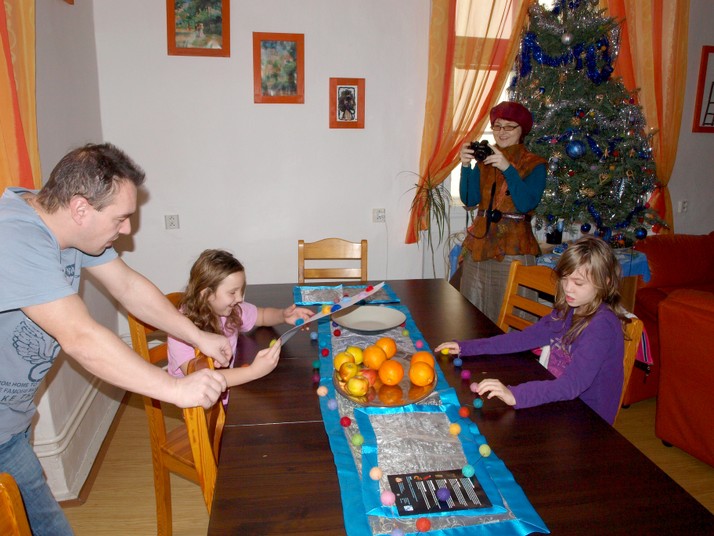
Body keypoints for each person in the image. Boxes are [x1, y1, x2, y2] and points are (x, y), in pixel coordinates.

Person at [0, 143, 232, 535]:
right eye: (121, 218)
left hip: (11, 425)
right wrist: (175, 389)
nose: (127, 229)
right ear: (81, 209)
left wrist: (198, 336)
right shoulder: (14, 238)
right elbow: (81, 337)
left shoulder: (64, 225)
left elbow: (128, 287)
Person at [437, 236, 629, 425]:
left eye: (578, 283)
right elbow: (522, 339)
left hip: (588, 421)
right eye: (564, 278)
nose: (568, 289)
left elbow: (571, 385)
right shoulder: (568, 310)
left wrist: (515, 394)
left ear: (605, 282)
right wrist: (465, 347)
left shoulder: (601, 327)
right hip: (560, 400)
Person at [167, 249, 313, 401]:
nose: (239, 299)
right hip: (198, 404)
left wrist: (283, 315)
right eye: (232, 292)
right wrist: (253, 372)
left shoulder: (230, 309)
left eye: (241, 291)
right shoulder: (181, 330)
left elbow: (261, 316)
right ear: (207, 294)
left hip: (228, 389)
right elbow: (201, 379)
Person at [458, 101, 547, 324]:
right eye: (497, 126)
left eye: (509, 126)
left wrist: (507, 168)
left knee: (513, 313)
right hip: (480, 245)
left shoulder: (535, 164)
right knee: (472, 311)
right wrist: (466, 166)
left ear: (521, 131)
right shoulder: (484, 162)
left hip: (514, 248)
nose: (502, 132)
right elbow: (469, 199)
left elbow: (526, 204)